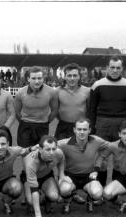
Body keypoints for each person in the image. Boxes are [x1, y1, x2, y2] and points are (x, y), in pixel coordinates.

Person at [88, 55, 126, 188]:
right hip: (102, 124)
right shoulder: (97, 85)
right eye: (112, 67)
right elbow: (91, 109)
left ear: (122, 68)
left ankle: (115, 193)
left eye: (118, 68)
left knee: (119, 159)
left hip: (122, 124)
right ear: (107, 68)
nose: (115, 70)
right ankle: (100, 191)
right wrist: (92, 128)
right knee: (101, 159)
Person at [14, 66, 58, 183]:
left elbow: (54, 111)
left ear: (43, 78)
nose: (37, 81)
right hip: (25, 127)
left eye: (39, 78)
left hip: (42, 126)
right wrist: (26, 122)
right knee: (26, 155)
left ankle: (42, 180)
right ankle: (26, 182)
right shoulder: (20, 93)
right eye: (34, 78)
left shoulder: (51, 92)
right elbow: (17, 112)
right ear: (28, 79)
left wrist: (45, 122)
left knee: (42, 154)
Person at [54, 63, 91, 205]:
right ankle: (63, 189)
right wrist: (65, 120)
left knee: (77, 159)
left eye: (75, 75)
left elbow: (89, 111)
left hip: (80, 129)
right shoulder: (57, 91)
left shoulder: (87, 91)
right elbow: (55, 111)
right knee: (60, 158)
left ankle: (74, 191)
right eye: (69, 75)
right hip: (63, 127)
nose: (72, 78)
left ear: (79, 76)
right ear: (65, 76)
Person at [57, 118, 110, 214]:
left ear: (89, 130)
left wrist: (98, 164)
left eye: (85, 129)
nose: (82, 132)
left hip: (89, 176)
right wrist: (33, 149)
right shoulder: (64, 143)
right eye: (79, 129)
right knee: (64, 190)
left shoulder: (96, 141)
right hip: (71, 176)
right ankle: (68, 200)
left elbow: (110, 147)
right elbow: (47, 145)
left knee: (97, 193)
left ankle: (89, 200)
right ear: (74, 130)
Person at [24, 135, 65, 217]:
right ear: (40, 149)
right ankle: (33, 201)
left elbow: (62, 159)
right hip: (29, 178)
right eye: (48, 149)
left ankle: (47, 201)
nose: (51, 153)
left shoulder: (58, 153)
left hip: (46, 176)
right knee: (31, 201)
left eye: (53, 149)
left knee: (54, 196)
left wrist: (61, 174)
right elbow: (34, 189)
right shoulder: (31, 162)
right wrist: (38, 216)